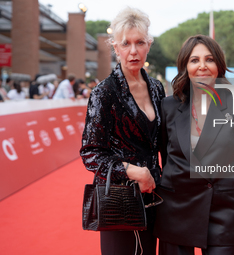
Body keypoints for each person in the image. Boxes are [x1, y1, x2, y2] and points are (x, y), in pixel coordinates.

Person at [154, 35, 234, 255]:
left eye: (209, 59)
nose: (202, 66)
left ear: (219, 66)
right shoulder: (168, 106)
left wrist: (228, 192)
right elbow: (167, 155)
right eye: (194, 60)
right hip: (176, 207)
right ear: (185, 67)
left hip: (222, 209)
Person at [80, 7, 165, 255]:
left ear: (149, 45)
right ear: (116, 48)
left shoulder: (157, 88)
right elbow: (91, 153)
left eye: (140, 42)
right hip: (119, 199)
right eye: (126, 43)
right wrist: (133, 171)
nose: (133, 51)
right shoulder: (104, 93)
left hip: (153, 198)